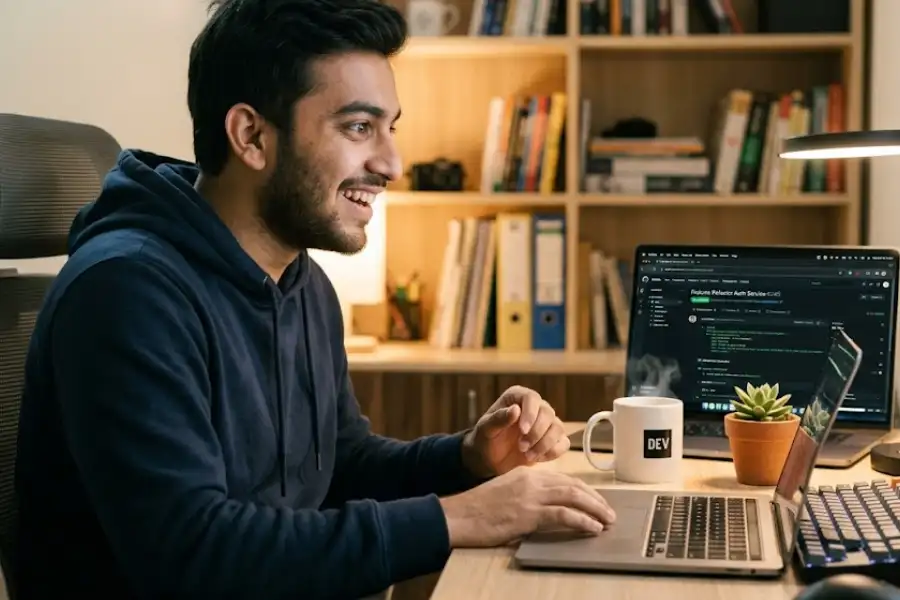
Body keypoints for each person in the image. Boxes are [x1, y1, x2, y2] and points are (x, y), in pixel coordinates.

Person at [12, 0, 616, 598]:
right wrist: (464, 517)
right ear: (251, 136)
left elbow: (339, 467)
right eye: (359, 127)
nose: (392, 163)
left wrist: (468, 459)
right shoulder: (127, 291)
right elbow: (192, 554)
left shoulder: (300, 281)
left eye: (390, 128)